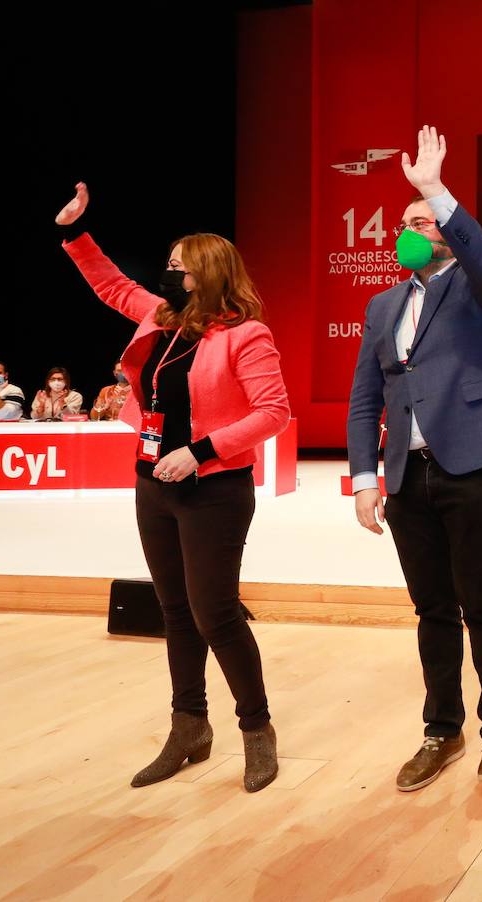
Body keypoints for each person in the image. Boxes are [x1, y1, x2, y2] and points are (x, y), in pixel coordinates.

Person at [56, 181, 291, 793]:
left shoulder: (246, 335)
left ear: (207, 275)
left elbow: (273, 412)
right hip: (151, 482)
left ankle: (257, 730)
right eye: (166, 266)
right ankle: (189, 727)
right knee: (174, 612)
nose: (167, 275)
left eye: (177, 268)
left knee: (216, 613)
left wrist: (200, 451)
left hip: (213, 488)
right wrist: (75, 232)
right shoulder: (161, 319)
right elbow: (110, 284)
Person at [347, 126, 482, 792]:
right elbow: (366, 395)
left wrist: (434, 188)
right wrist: (365, 477)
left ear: (449, 231)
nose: (410, 230)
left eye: (422, 222)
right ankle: (442, 728)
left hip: (479, 464)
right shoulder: (382, 304)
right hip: (408, 475)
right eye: (404, 222)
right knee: (431, 608)